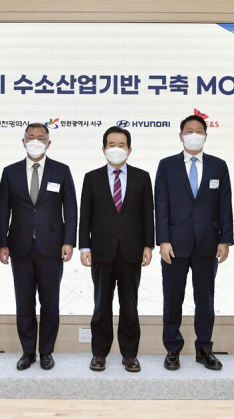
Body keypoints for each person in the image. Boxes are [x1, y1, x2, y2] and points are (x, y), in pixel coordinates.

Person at [154, 115, 233, 371]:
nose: (194, 134)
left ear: (206, 136)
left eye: (199, 131)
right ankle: (173, 349)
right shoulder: (166, 165)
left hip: (208, 244)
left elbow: (224, 205)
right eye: (189, 131)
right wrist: (162, 240)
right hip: (174, 245)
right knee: (172, 298)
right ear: (180, 136)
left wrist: (225, 240)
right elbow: (161, 206)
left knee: (205, 299)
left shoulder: (218, 166)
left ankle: (204, 348)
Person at [0, 123, 77, 371]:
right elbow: (3, 211)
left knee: (50, 302)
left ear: (48, 143)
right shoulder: (10, 172)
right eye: (30, 137)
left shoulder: (61, 171)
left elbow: (71, 209)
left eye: (40, 137)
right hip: (19, 246)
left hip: (52, 247)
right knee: (24, 301)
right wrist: (2, 243)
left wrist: (69, 241)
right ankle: (28, 351)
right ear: (23, 141)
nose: (35, 141)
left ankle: (46, 351)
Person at [79, 126, 154, 373]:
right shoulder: (91, 178)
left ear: (129, 150)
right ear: (103, 149)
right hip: (101, 250)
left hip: (132, 249)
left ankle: (130, 354)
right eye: (111, 144)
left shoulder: (143, 177)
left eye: (121, 145)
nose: (116, 149)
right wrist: (84, 246)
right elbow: (85, 216)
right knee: (101, 304)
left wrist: (148, 245)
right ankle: (99, 354)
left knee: (129, 305)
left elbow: (147, 215)